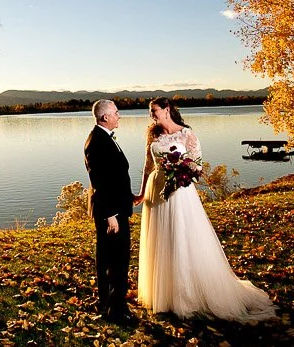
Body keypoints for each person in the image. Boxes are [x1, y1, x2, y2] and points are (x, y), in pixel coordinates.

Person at [137, 96, 277, 322]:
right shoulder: (152, 135)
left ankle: (186, 294)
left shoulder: (187, 134)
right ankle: (164, 294)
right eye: (150, 112)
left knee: (182, 237)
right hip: (156, 189)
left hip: (180, 191)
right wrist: (142, 192)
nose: (151, 115)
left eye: (154, 111)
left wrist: (182, 169)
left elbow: (198, 166)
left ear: (167, 109)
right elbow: (147, 165)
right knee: (160, 240)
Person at [84, 99, 137, 324]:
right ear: (105, 117)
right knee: (117, 261)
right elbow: (100, 182)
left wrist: (130, 197)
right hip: (111, 213)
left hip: (115, 207)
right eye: (116, 113)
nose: (119, 116)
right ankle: (117, 310)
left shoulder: (103, 138)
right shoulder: (97, 142)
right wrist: (110, 215)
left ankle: (108, 303)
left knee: (108, 259)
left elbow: (113, 177)